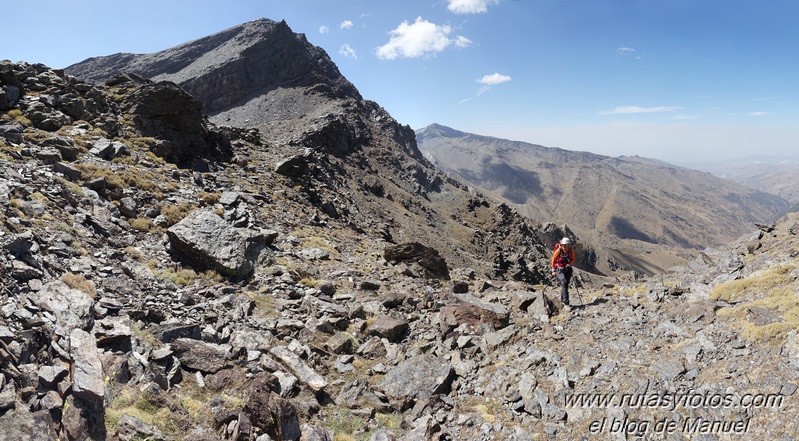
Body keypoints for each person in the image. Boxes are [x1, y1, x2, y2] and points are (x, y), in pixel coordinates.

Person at [551, 237, 576, 307]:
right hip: (559, 269)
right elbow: (553, 260)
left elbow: (573, 259)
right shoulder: (558, 251)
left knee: (565, 285)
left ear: (568, 244)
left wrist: (569, 264)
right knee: (564, 282)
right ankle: (566, 303)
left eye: (565, 245)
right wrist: (553, 270)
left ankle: (562, 301)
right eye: (562, 244)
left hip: (568, 269)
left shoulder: (571, 251)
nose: (563, 246)